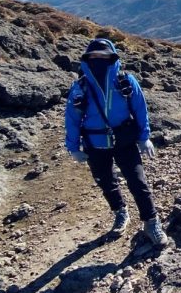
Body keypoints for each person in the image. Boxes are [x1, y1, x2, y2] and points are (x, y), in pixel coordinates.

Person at [64, 38, 168, 246]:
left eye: (103, 57)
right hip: (95, 143)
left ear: (112, 58)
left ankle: (151, 222)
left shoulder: (125, 81)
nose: (98, 60)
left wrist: (144, 137)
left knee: (139, 183)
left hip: (124, 141)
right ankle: (120, 212)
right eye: (94, 57)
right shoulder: (80, 87)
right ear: (86, 59)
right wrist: (73, 147)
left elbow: (140, 109)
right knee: (106, 182)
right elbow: (72, 118)